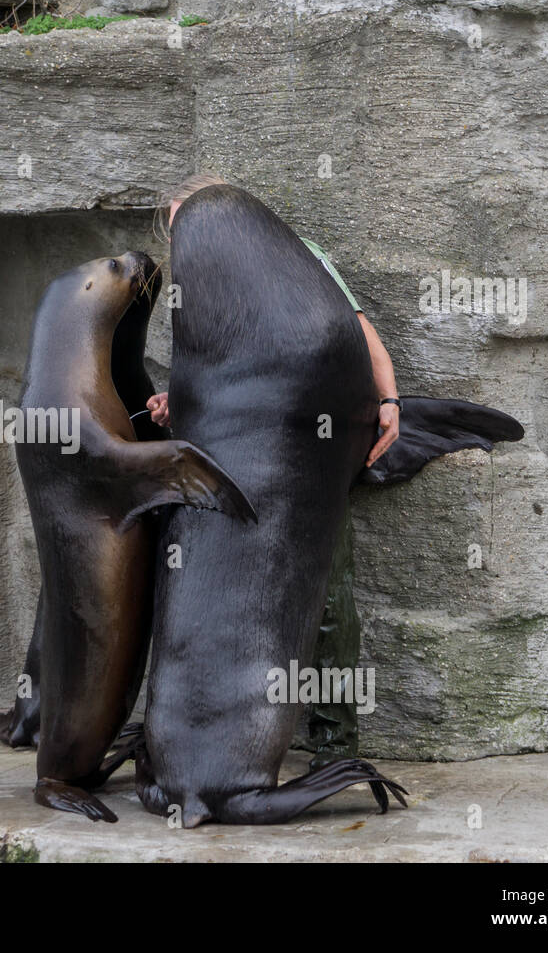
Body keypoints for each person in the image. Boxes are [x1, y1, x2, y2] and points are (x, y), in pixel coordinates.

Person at [147, 173, 400, 767]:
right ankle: (207, 745)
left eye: (200, 218)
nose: (193, 236)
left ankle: (336, 749)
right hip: (228, 468)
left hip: (300, 463)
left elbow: (356, 330)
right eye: (183, 227)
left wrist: (388, 402)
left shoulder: (299, 259)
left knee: (327, 599)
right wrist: (171, 401)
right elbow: (216, 374)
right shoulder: (193, 283)